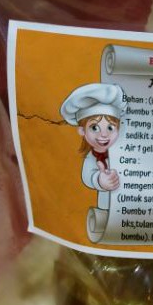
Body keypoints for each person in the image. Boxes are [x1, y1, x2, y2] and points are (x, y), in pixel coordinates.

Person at [60, 83, 126, 218]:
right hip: (107, 209)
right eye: (95, 128)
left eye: (110, 128)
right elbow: (88, 177)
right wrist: (100, 180)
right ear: (82, 131)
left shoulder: (122, 150)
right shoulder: (92, 157)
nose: (104, 134)